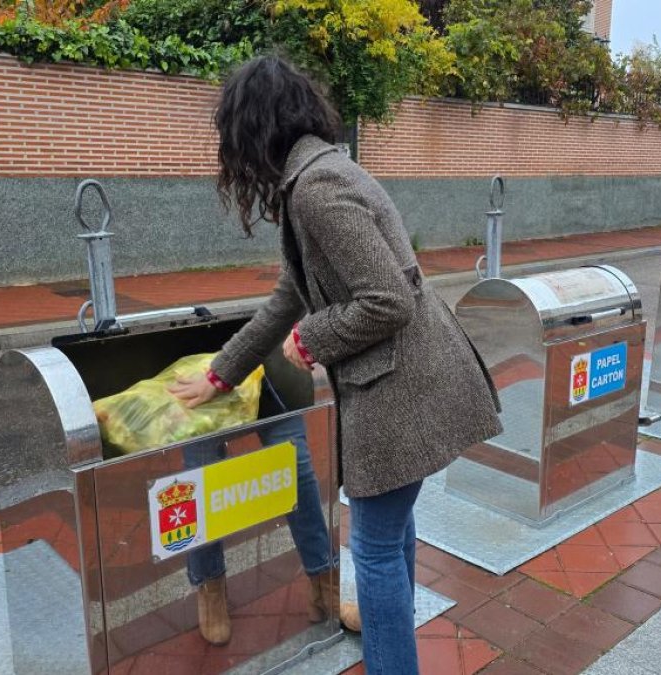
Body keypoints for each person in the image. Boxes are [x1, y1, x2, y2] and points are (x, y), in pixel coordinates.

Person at [169, 54, 501, 674]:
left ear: (255, 131)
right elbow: (289, 296)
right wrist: (222, 373)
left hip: (403, 391)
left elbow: (387, 300)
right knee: (392, 536)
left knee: (373, 550)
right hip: (417, 382)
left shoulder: (316, 190)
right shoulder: (324, 171)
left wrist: (313, 339)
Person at [181, 379, 338, 646]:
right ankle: (210, 587)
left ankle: (324, 580)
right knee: (202, 474)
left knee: (295, 464)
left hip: (265, 361)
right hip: (195, 362)